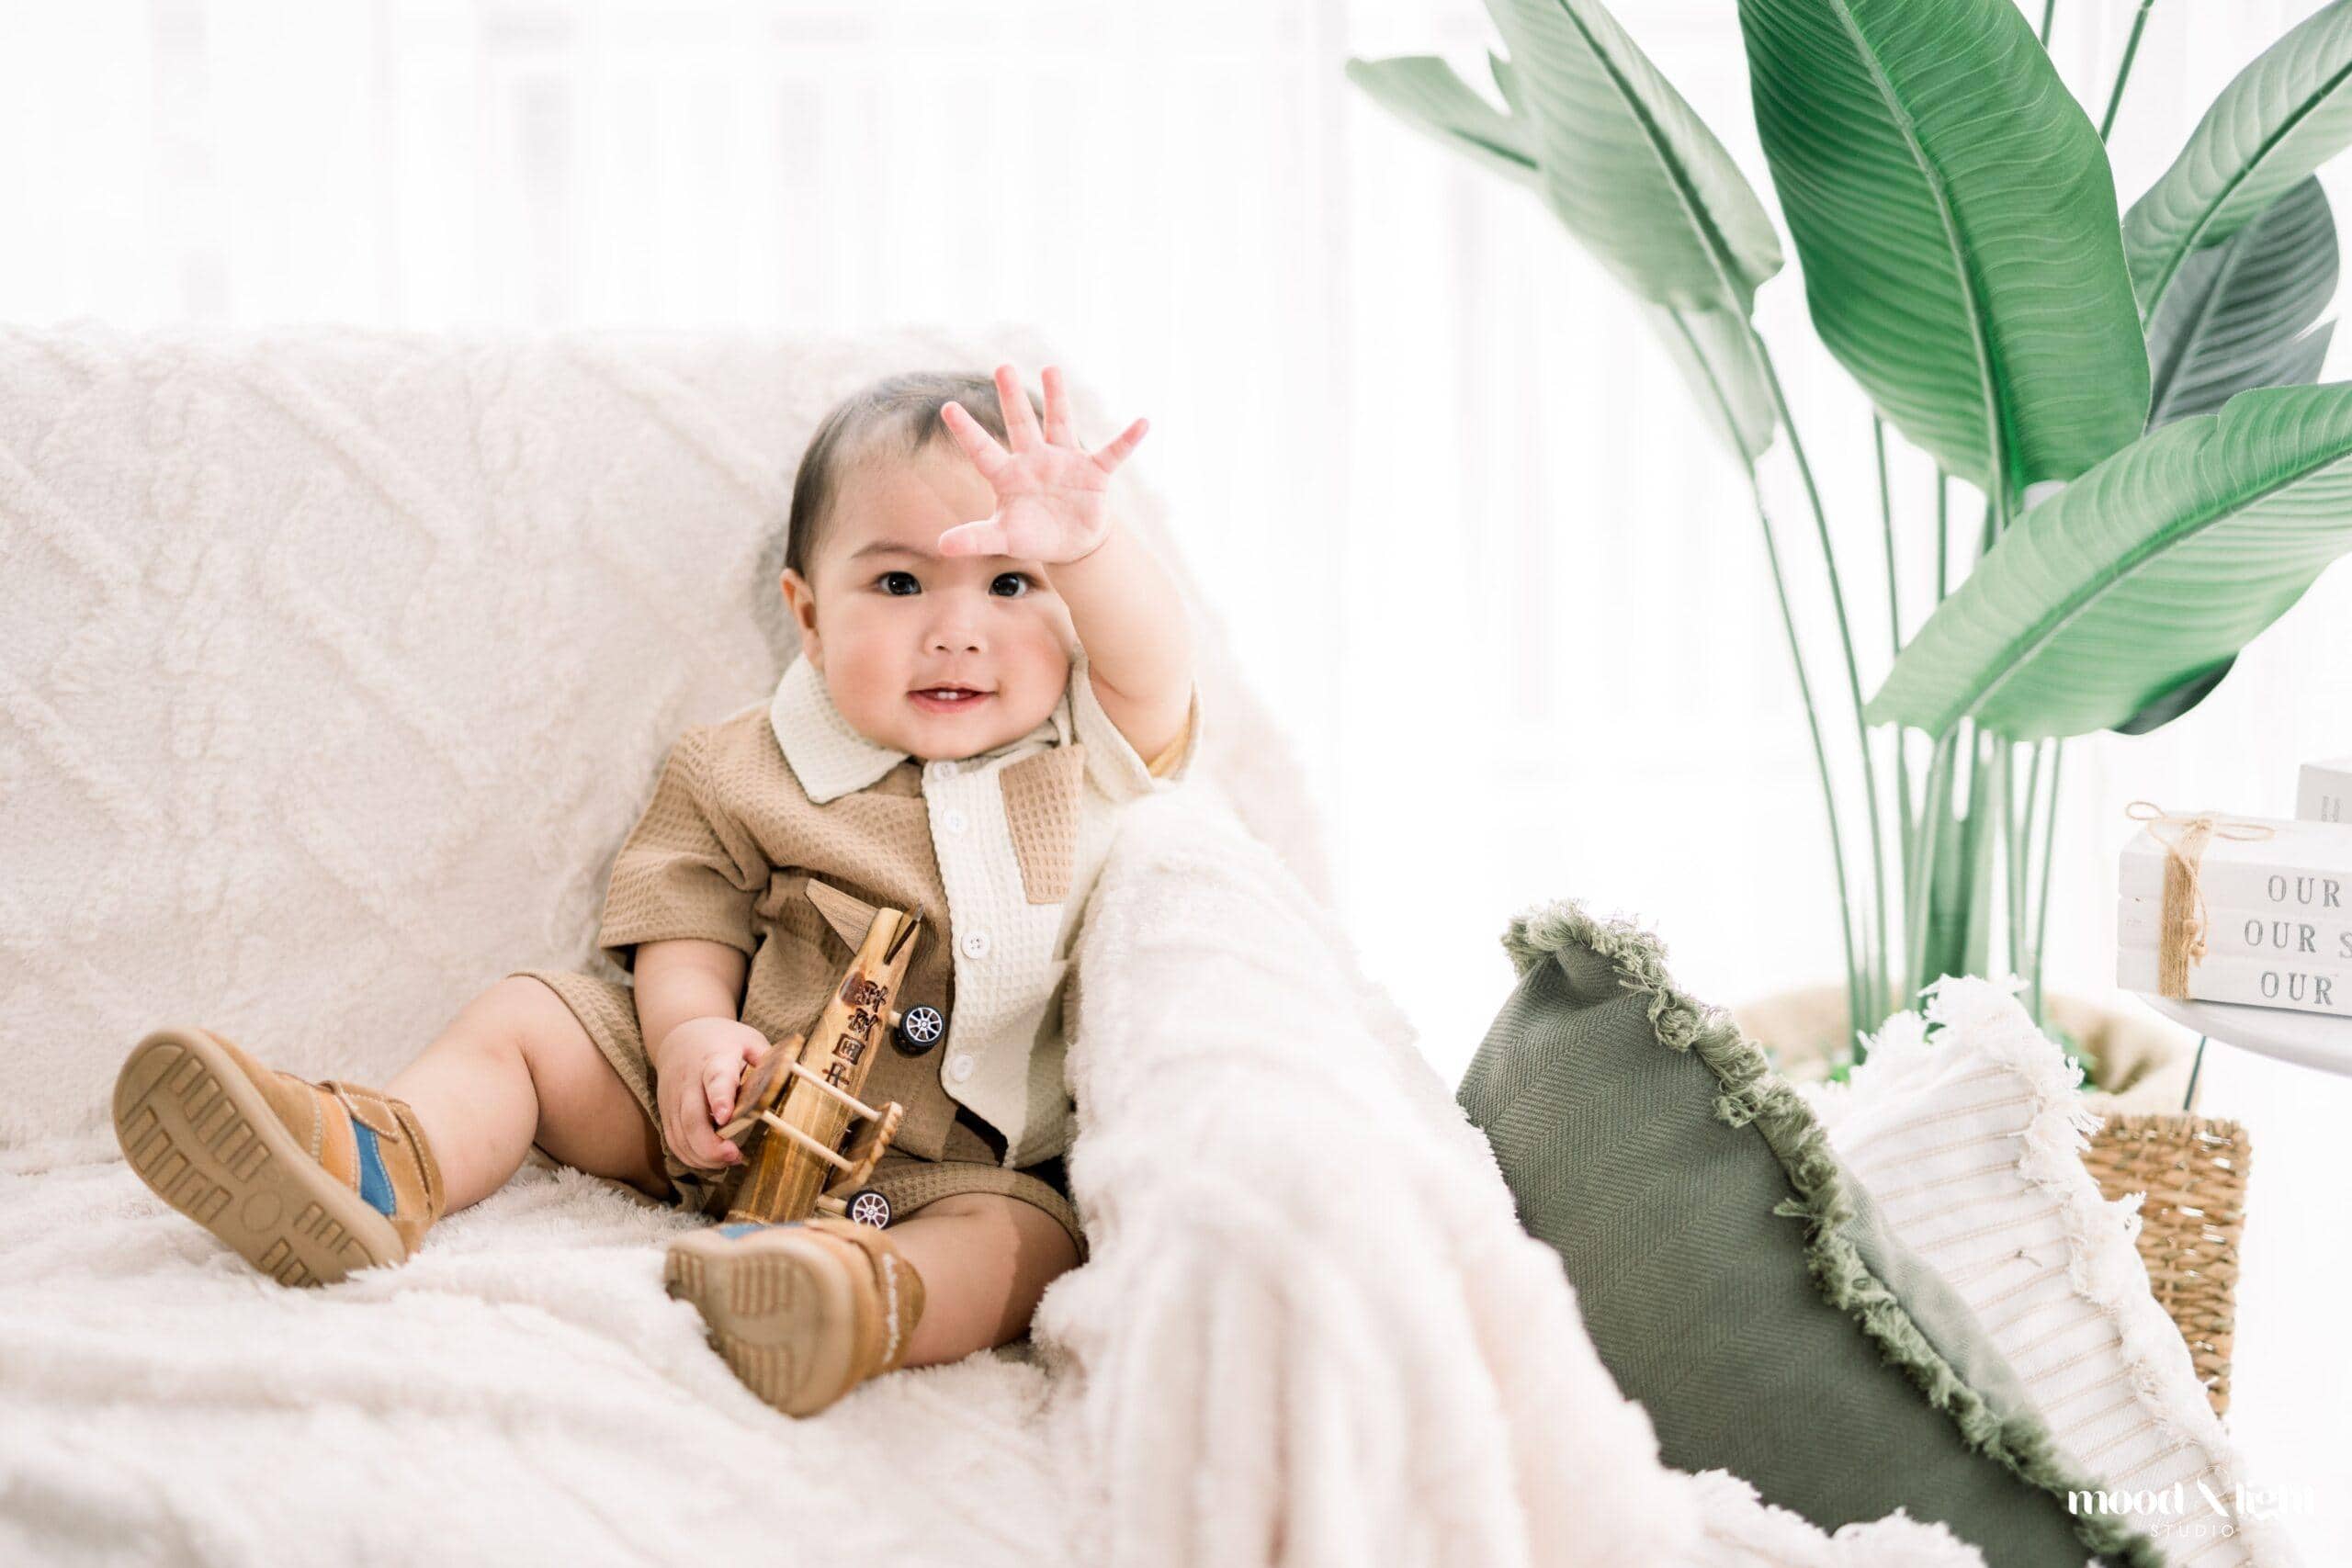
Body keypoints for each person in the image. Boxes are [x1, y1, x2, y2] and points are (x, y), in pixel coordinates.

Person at [111, 361, 1201, 1418]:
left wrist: (1091, 548)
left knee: (1029, 1238)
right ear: (808, 617)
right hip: (714, 1122)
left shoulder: (1086, 754)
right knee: (529, 1019)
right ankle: (378, 1161)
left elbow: (1153, 662)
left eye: (1012, 582)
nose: (956, 630)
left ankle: (849, 1301)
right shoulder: (745, 762)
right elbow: (685, 916)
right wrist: (688, 1039)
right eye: (898, 584)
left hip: (939, 1173)